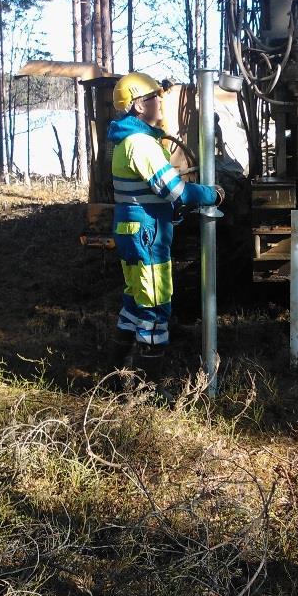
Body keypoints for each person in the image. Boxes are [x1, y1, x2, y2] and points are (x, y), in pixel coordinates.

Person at [108, 73, 224, 377]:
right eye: (152, 97)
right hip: (147, 234)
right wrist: (214, 195)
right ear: (136, 106)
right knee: (156, 309)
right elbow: (176, 191)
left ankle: (113, 373)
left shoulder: (128, 140)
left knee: (134, 303)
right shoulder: (140, 144)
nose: (160, 101)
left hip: (133, 231)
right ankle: (147, 390)